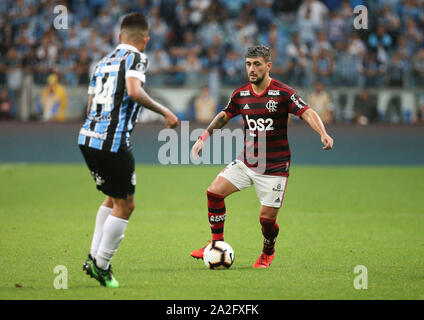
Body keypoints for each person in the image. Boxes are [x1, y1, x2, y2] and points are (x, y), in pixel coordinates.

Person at [190, 45, 334, 268]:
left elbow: (307, 112)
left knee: (266, 220)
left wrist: (323, 133)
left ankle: (268, 251)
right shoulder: (241, 94)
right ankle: (216, 245)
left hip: (275, 168)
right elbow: (223, 116)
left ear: (268, 66)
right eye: (248, 64)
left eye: (257, 64)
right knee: (214, 193)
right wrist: (203, 138)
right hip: (247, 161)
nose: (251, 69)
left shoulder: (283, 93)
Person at [78, 12, 179, 288]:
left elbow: (89, 108)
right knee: (126, 204)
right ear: (145, 40)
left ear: (119, 36)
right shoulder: (137, 57)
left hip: (88, 137)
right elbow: (133, 91)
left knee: (112, 198)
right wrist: (165, 111)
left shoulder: (101, 63)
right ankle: (102, 265)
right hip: (113, 141)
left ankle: (93, 257)